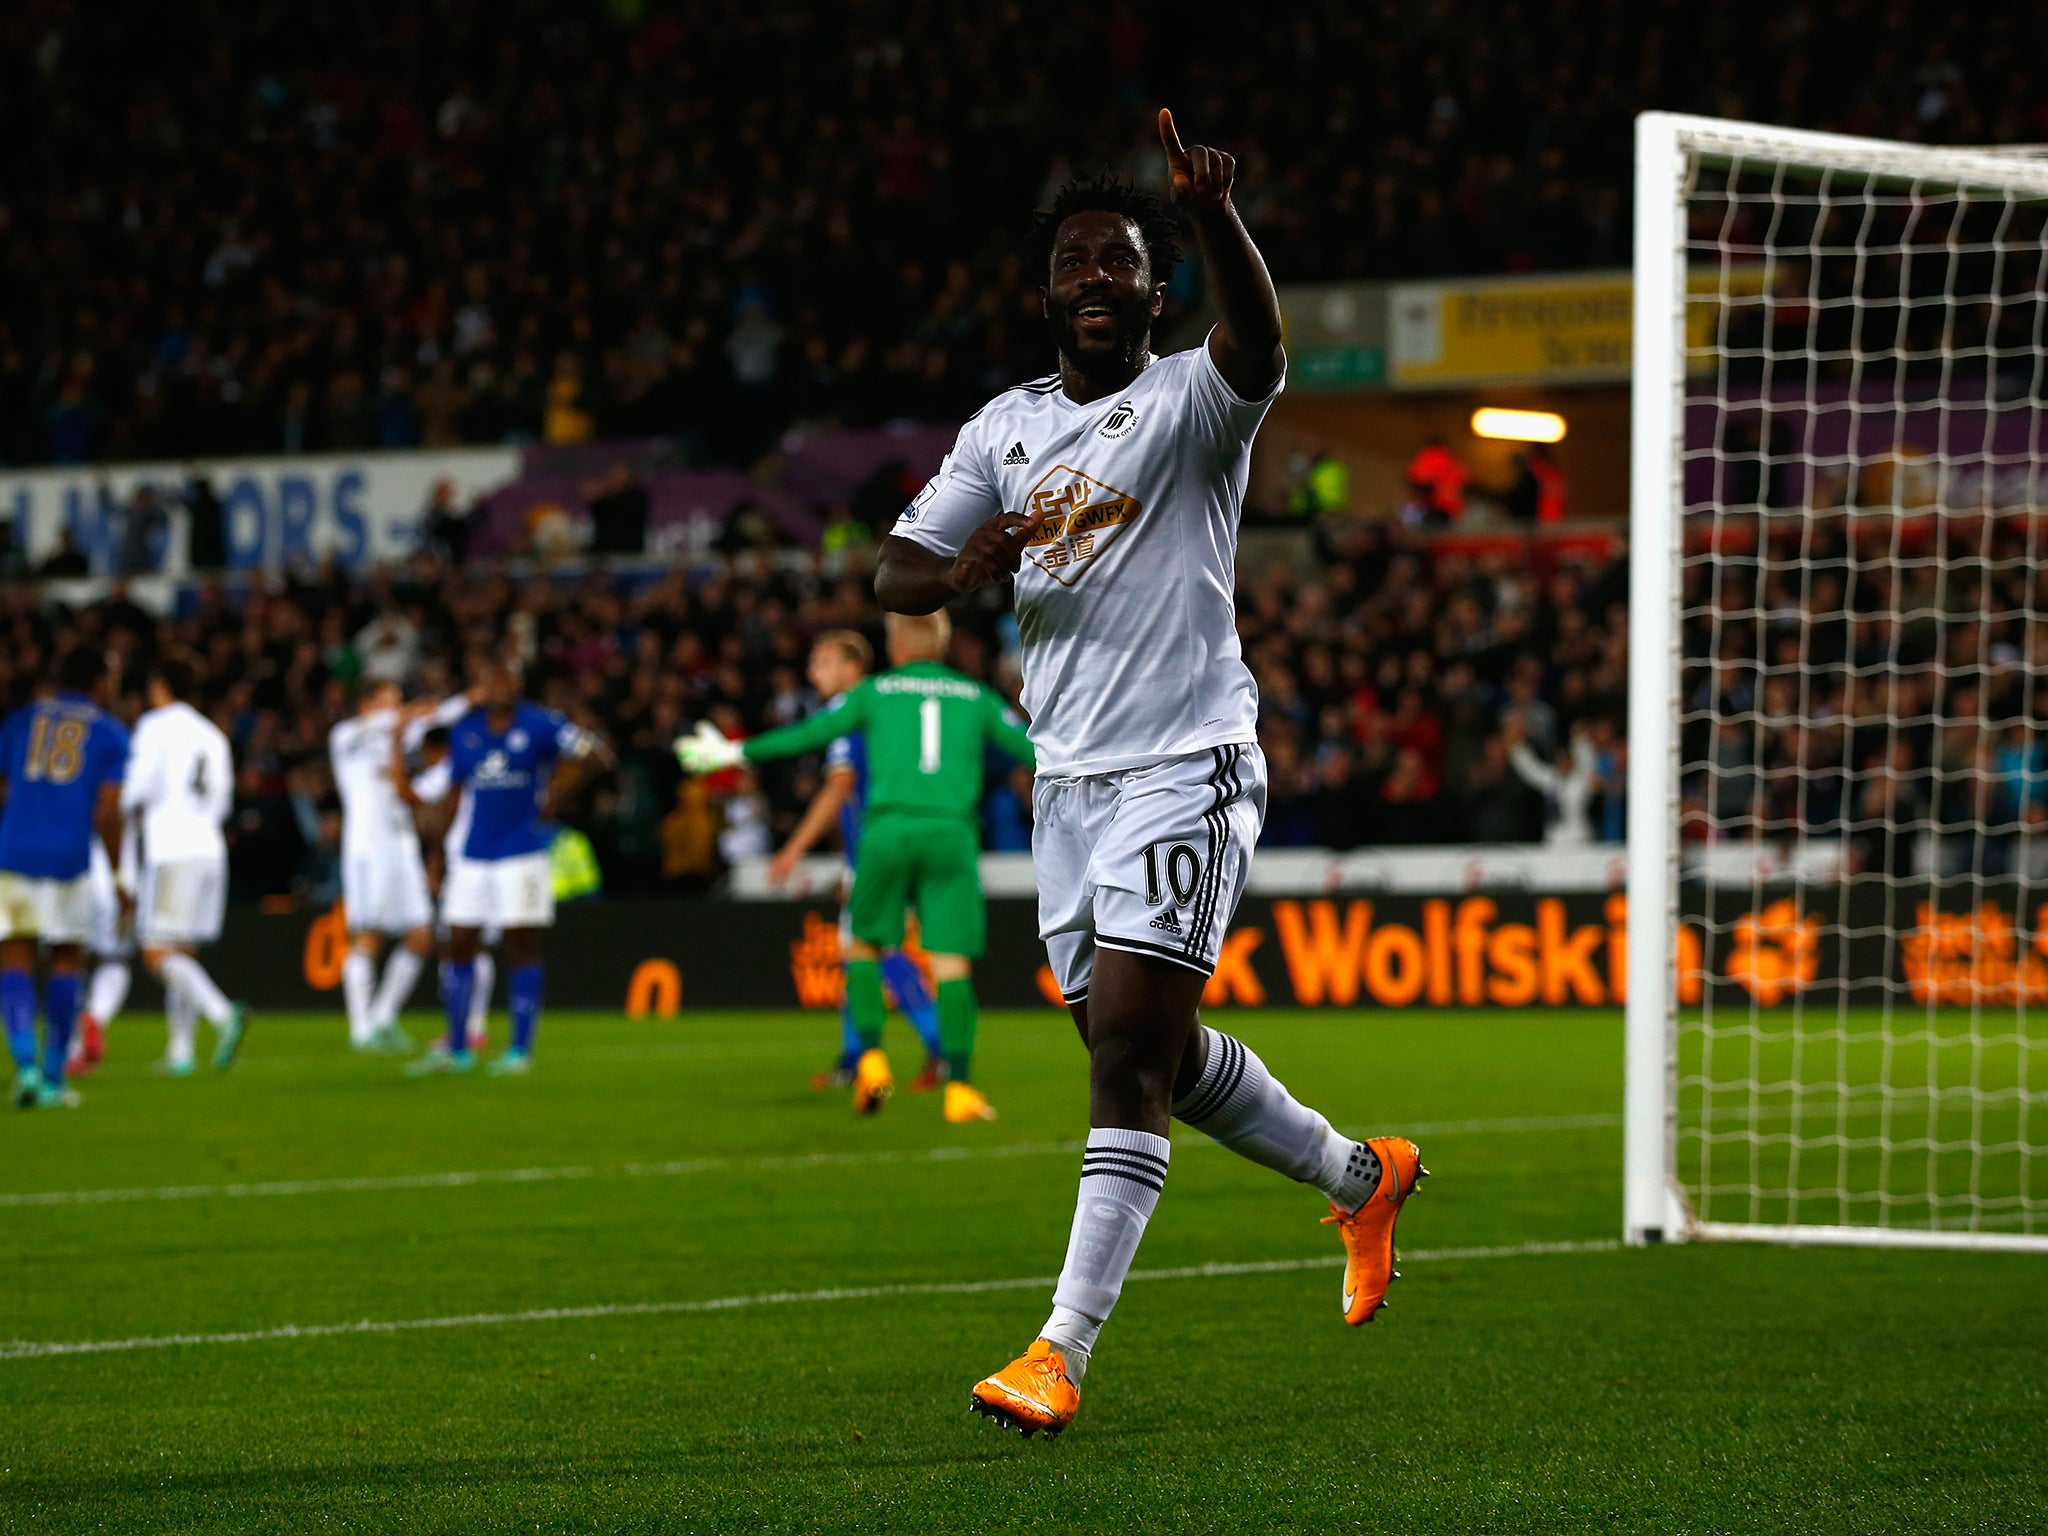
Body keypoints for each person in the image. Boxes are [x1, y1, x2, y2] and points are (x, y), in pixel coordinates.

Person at [870, 111, 1426, 1438]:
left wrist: (1216, 215)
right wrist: (957, 573)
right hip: (1067, 787)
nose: (1097, 275)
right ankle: (1361, 1175)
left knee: (1124, 1054)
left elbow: (1263, 346)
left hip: (1186, 764)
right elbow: (893, 571)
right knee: (1150, 1058)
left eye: (1122, 258)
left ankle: (1059, 1350)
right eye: (1076, 259)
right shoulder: (1002, 430)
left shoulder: (1188, 402)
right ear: (1047, 288)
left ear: (1154, 285)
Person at [679, 611, 1034, 1123]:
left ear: (894, 645)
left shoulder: (875, 692)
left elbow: (808, 734)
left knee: (863, 948)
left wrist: (734, 752)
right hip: (952, 834)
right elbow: (1032, 750)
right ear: (943, 644)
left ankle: (870, 1062)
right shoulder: (975, 696)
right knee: (951, 964)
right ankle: (960, 1089)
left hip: (885, 832)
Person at [762, 629, 948, 1096]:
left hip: (876, 851)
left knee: (874, 952)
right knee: (860, 953)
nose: (813, 672)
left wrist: (793, 849)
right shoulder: (882, 707)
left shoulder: (850, 710)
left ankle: (932, 1047)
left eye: (823, 662)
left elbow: (839, 787)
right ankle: (855, 1059)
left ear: (852, 669)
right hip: (889, 845)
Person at [404, 660, 606, 1077]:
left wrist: (559, 795)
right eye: (490, 678)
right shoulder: (467, 732)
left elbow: (598, 755)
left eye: (505, 678)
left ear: (517, 684)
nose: (498, 686)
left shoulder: (541, 725)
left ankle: (519, 1049)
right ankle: (458, 1047)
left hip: (523, 853)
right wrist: (438, 856)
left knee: (521, 944)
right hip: (475, 855)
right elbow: (455, 796)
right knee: (458, 942)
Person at [0, 648, 131, 1108]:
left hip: (13, 850)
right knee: (65, 960)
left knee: (14, 957)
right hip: (70, 857)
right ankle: (55, 1078)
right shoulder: (111, 734)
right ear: (97, 682)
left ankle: (26, 1068)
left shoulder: (20, 721)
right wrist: (117, 872)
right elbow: (110, 810)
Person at [329, 681, 471, 1053]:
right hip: (366, 846)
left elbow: (436, 715)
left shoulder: (401, 737)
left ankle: (383, 1017)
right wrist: (409, 714)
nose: (396, 709)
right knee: (367, 933)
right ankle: (360, 1030)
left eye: (399, 701)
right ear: (365, 704)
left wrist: (471, 698)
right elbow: (401, 719)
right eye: (388, 701)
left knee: (421, 933)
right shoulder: (346, 736)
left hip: (401, 843)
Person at [123, 655, 244, 1075]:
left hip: (171, 848)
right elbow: (224, 803)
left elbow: (137, 787)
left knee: (156, 951)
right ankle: (181, 1052)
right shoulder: (213, 735)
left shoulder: (154, 727)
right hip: (209, 849)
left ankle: (223, 1013)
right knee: (182, 952)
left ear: (160, 686)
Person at [66, 835, 137, 1078]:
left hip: (66, 868)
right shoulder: (112, 798)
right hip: (112, 872)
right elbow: (109, 813)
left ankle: (71, 1051)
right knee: (115, 960)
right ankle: (96, 1017)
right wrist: (119, 879)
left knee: (68, 960)